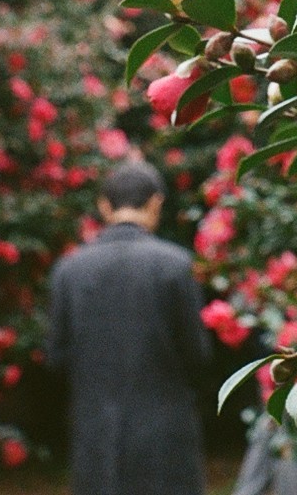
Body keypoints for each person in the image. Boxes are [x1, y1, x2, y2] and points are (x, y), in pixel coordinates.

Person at [46, 158, 211, 495]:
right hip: (166, 436)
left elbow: (56, 358)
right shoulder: (177, 266)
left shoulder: (69, 270)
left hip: (96, 437)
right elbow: (198, 356)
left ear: (104, 206)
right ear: (155, 203)